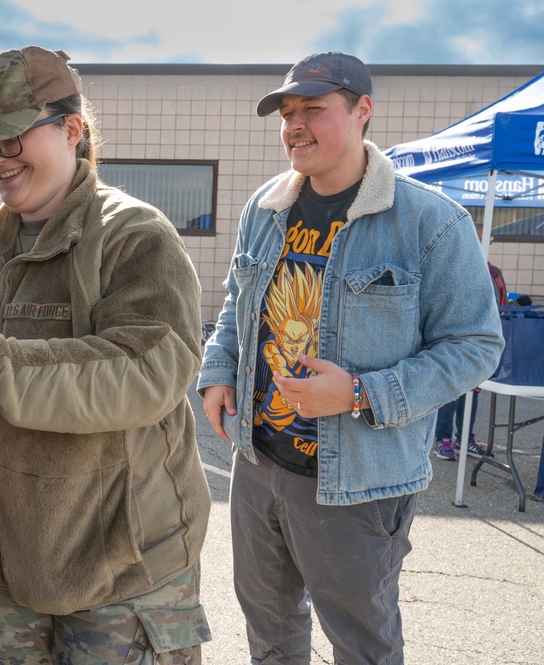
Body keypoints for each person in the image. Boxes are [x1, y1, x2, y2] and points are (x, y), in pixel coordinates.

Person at [0, 45, 212, 663]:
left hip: (119, 572)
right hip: (5, 567)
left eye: (10, 141)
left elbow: (153, 371)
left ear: (72, 129)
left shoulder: (133, 235)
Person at [199, 52, 504, 664]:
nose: (295, 125)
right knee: (271, 636)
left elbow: (476, 347)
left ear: (363, 111)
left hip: (358, 483)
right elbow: (238, 299)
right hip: (258, 466)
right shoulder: (266, 207)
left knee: (361, 644)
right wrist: (217, 370)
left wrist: (362, 393)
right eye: (287, 113)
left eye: (313, 109)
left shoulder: (431, 222)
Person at [434, 226, 507, 460]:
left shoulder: (492, 272)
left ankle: (465, 438)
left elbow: (501, 306)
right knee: (451, 392)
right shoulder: (453, 269)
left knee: (472, 392)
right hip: (451, 345)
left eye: (487, 239)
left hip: (478, 347)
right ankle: (442, 438)